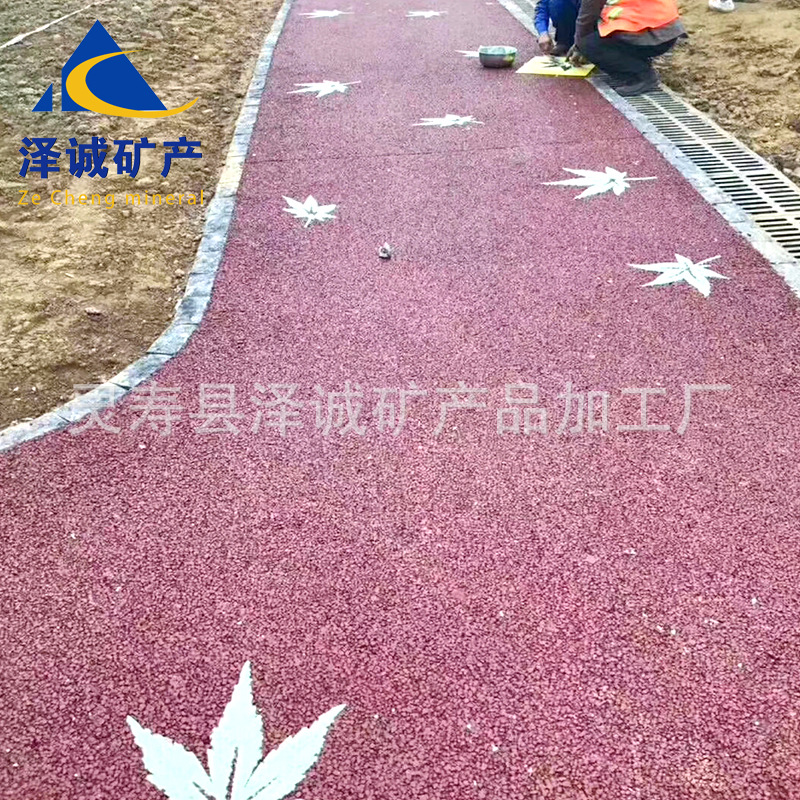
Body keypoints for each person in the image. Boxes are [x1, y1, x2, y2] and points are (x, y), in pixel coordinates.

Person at [568, 0, 687, 96]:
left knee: (589, 44)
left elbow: (587, 16)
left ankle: (640, 76)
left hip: (649, 33)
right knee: (595, 38)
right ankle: (637, 63)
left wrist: (580, 46)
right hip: (666, 30)